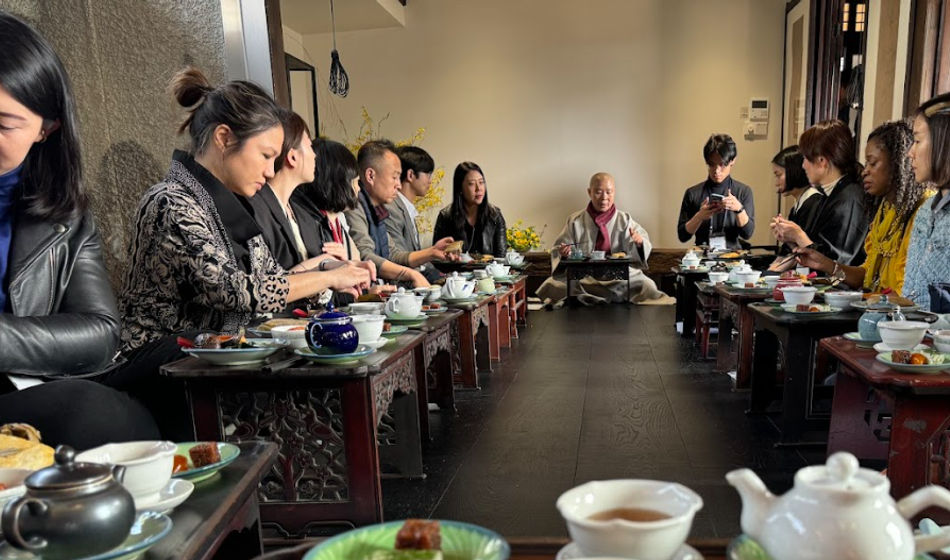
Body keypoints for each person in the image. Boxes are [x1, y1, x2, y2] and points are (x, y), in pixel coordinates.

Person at [115, 68, 368, 438]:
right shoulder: (170, 202)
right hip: (162, 364)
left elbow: (270, 281)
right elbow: (235, 291)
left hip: (210, 359)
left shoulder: (229, 205)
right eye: (265, 155)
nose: (270, 170)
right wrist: (327, 277)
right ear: (224, 138)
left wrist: (323, 271)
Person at [0, 11, 160, 448]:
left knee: (184, 361)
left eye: (3, 124)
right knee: (92, 413)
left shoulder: (64, 214)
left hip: (36, 378)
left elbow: (100, 331)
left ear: (46, 128)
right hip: (43, 391)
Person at [247, 111, 377, 305]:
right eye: (309, 146)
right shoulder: (255, 208)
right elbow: (263, 290)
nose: (315, 154)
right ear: (292, 157)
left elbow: (318, 284)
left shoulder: (303, 214)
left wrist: (341, 272)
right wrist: (326, 268)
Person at [795, 121, 930, 294]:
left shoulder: (922, 211)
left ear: (898, 163)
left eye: (872, 163)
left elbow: (909, 293)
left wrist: (865, 299)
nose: (865, 171)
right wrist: (827, 265)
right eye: (866, 164)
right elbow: (866, 276)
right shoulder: (885, 208)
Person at [536, 173, 673, 306]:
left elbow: (642, 242)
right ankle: (603, 297)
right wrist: (564, 253)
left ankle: (587, 298)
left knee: (646, 285)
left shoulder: (624, 219)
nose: (604, 197)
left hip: (618, 278)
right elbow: (558, 248)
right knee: (552, 284)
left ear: (614, 192)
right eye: (598, 192)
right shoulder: (575, 220)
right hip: (584, 278)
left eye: (609, 192)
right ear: (589, 192)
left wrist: (639, 243)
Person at [771, 120, 869, 266]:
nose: (803, 165)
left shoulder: (849, 198)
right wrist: (790, 239)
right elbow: (816, 246)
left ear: (822, 161)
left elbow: (834, 262)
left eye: (805, 158)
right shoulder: (830, 194)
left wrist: (798, 235)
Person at [344, 139, 430, 287]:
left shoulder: (377, 209)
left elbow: (393, 254)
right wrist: (410, 274)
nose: (399, 185)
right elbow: (364, 256)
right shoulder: (354, 206)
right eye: (394, 177)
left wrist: (433, 252)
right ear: (370, 176)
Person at [901, 93, 950, 311]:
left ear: (944, 142)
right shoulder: (925, 210)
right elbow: (910, 294)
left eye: (918, 141)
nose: (910, 153)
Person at [386, 146, 455, 281]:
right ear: (411, 175)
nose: (430, 181)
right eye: (428, 174)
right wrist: (432, 252)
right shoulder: (392, 209)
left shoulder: (406, 208)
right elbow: (398, 259)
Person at [677, 134, 755, 249]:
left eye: (722, 164)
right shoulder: (693, 193)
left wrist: (739, 209)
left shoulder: (743, 191)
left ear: (732, 161)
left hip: (733, 256)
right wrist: (699, 217)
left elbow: (747, 234)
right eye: (711, 164)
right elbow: (683, 236)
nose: (717, 171)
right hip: (702, 255)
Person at [433, 161, 508, 257]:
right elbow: (437, 256)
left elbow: (501, 257)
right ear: (460, 188)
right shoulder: (446, 217)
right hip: (455, 267)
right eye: (471, 184)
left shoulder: (495, 215)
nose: (479, 188)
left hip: (488, 267)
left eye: (481, 182)